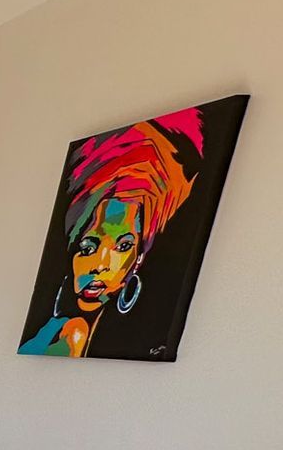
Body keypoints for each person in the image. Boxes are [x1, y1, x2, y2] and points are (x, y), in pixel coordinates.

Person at [21, 110, 199, 358]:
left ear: (139, 258)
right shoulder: (64, 335)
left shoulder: (137, 339)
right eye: (87, 248)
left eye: (123, 246)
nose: (99, 266)